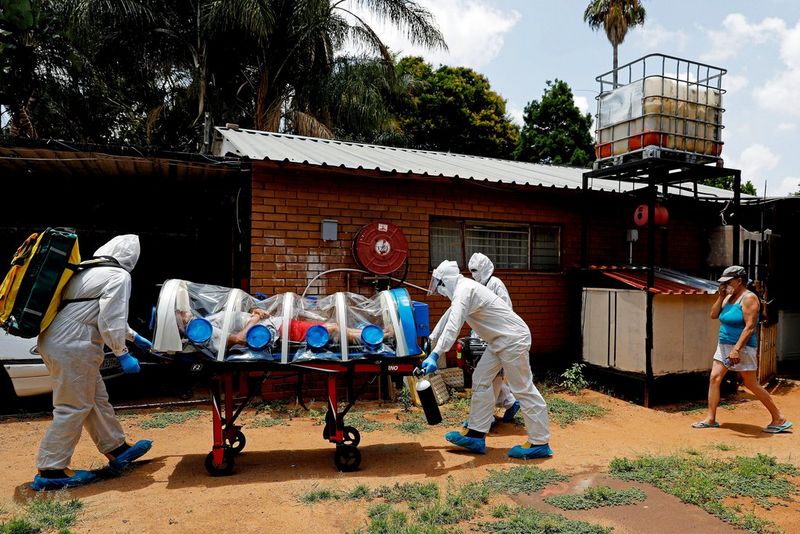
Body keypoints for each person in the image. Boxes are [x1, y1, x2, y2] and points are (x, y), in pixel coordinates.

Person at [32, 235, 153, 491]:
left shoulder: (85, 271)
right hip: (73, 345)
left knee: (95, 399)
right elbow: (111, 319)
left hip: (61, 341)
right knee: (73, 405)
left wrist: (134, 337)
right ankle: (51, 468)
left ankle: (116, 448)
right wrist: (122, 353)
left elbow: (94, 312)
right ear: (131, 259)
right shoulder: (118, 276)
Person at [422, 260, 551, 459]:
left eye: (438, 285)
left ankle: (539, 442)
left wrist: (436, 353)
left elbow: (453, 325)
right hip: (498, 340)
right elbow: (448, 317)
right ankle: (476, 434)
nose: (438, 290)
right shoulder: (463, 290)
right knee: (481, 379)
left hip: (513, 339)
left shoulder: (464, 290)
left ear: (446, 281)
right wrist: (432, 339)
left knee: (522, 388)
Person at [692, 265, 792, 433]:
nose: (725, 285)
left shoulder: (749, 298)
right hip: (723, 345)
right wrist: (721, 296)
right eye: (723, 282)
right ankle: (711, 419)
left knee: (750, 383)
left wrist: (736, 349)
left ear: (739, 281)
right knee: (715, 378)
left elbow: (750, 327)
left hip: (742, 347)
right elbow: (713, 315)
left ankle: (779, 418)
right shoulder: (728, 297)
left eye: (728, 282)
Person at [467, 252, 520, 423]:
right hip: (483, 337)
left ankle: (486, 417)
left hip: (498, 337)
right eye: (471, 271)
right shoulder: (478, 286)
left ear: (484, 268)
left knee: (493, 377)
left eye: (476, 270)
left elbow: (505, 311)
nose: (473, 274)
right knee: (486, 375)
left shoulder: (496, 284)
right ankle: (509, 402)